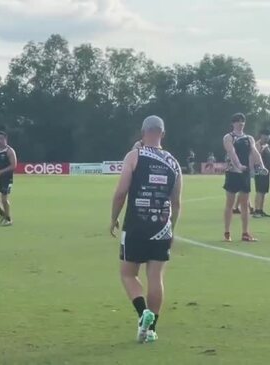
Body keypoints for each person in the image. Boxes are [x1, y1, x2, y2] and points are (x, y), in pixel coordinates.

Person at [110, 115, 182, 344]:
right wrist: (173, 229)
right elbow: (177, 202)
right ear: (163, 133)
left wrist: (113, 218)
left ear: (142, 133)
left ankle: (143, 314)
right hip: (162, 228)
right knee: (156, 277)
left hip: (135, 226)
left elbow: (121, 192)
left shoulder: (135, 156)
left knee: (128, 274)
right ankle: (151, 330)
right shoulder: (174, 163)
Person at [222, 113, 267, 242]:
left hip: (245, 173)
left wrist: (262, 166)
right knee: (230, 203)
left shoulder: (249, 138)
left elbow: (255, 152)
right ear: (233, 123)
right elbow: (231, 152)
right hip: (233, 172)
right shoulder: (229, 137)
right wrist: (238, 165)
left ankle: (245, 233)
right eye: (238, 121)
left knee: (244, 204)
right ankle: (227, 232)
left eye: (242, 121)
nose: (240, 123)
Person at [0, 131, 17, 226]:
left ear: (6, 139)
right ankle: (2, 214)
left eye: (1, 139)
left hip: (6, 178)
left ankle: (8, 219)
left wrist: (1, 172)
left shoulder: (9, 151)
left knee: (4, 199)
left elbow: (14, 165)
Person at [253, 129, 270, 218]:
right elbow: (256, 156)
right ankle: (256, 210)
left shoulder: (267, 146)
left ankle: (261, 210)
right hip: (260, 171)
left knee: (264, 192)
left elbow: (269, 161)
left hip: (267, 171)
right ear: (261, 136)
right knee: (259, 191)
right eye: (265, 136)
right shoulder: (257, 145)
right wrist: (262, 148)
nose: (266, 138)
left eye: (268, 137)